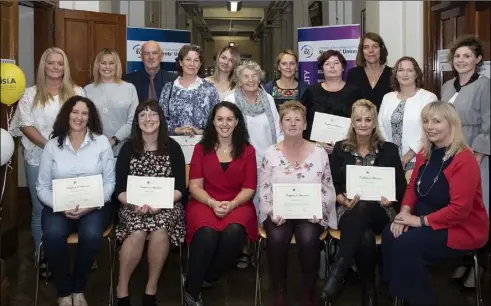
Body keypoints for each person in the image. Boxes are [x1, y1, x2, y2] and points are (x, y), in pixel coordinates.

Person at [382, 101, 489, 306]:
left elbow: (459, 211)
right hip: (428, 221)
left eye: (436, 121)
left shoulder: (464, 159)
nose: (429, 126)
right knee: (390, 233)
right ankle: (401, 294)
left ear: (451, 124)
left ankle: (417, 299)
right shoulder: (426, 152)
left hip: (462, 228)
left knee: (406, 245)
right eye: (426, 121)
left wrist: (417, 221)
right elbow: (413, 186)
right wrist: (404, 213)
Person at [321, 99, 407, 305]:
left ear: (375, 123)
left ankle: (338, 270)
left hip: (381, 210)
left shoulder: (389, 149)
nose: (363, 124)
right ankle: (369, 291)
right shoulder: (341, 149)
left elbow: (400, 185)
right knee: (365, 236)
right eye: (358, 119)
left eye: (368, 119)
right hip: (348, 210)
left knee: (365, 207)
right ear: (352, 122)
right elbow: (332, 182)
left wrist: (391, 199)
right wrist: (341, 198)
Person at [9, 47, 85, 274]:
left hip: (72, 159)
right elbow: (25, 125)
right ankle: (42, 254)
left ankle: (80, 252)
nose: (55, 67)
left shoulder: (77, 92)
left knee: (73, 203)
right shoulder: (29, 94)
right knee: (40, 208)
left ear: (65, 67)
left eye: (59, 63)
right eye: (50, 63)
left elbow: (84, 121)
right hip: (38, 158)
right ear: (43, 66)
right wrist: (49, 146)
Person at [36, 96, 116, 306]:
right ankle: (64, 291)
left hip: (95, 206)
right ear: (66, 114)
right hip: (59, 207)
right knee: (52, 235)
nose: (79, 117)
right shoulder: (52, 146)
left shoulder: (101, 143)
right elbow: (41, 187)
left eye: (84, 113)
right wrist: (59, 206)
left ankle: (78, 287)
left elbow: (109, 182)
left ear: (90, 118)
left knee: (90, 235)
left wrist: (92, 204)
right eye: (75, 112)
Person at [259, 100, 337, 306]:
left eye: (298, 119)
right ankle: (280, 291)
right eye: (288, 120)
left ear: (305, 124)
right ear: (281, 124)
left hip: (310, 213)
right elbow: (264, 189)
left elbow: (327, 186)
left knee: (309, 237)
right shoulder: (271, 153)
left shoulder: (319, 152)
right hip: (279, 212)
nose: (293, 124)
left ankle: (308, 292)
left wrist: (319, 210)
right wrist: (271, 211)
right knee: (275, 237)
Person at [184, 102, 258, 306]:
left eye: (229, 119)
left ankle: (203, 276)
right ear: (213, 122)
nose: (224, 124)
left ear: (236, 123)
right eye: (220, 119)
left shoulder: (249, 151)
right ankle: (192, 290)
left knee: (234, 232)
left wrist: (232, 204)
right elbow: (195, 185)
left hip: (238, 202)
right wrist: (212, 202)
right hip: (204, 201)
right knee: (206, 233)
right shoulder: (200, 149)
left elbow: (250, 188)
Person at [114, 100, 187, 306]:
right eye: (143, 115)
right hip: (132, 205)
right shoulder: (128, 148)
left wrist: (160, 204)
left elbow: (180, 187)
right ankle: (122, 287)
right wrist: (134, 203)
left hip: (166, 205)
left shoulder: (173, 147)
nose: (148, 119)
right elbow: (119, 189)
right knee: (137, 231)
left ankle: (151, 288)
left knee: (160, 229)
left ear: (160, 119)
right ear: (137, 122)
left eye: (153, 114)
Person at [440, 36, 490, 289]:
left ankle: (478, 268)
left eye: (467, 56)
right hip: (450, 153)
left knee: (476, 210)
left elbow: (489, 124)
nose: (461, 60)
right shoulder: (447, 86)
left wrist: (477, 157)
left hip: (475, 154)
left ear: (478, 59)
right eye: (457, 56)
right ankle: (462, 260)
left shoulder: (485, 86)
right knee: (455, 207)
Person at [224, 60, 282, 268]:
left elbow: (278, 127)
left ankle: (260, 247)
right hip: (240, 161)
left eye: (254, 75)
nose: (250, 80)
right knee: (244, 205)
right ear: (238, 80)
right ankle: (243, 248)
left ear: (260, 78)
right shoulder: (231, 99)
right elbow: (224, 129)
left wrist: (278, 156)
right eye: (245, 76)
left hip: (267, 161)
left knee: (264, 205)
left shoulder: (268, 99)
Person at [378, 56, 437, 170]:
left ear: (416, 74)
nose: (405, 74)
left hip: (418, 160)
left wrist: (407, 156)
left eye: (410, 70)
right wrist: (390, 153)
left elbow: (429, 130)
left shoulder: (428, 98)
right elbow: (380, 125)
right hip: (390, 160)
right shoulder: (388, 97)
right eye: (400, 70)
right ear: (395, 74)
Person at [301, 50, 363, 153]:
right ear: (322, 68)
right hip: (314, 150)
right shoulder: (311, 91)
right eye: (327, 64)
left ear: (343, 67)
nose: (332, 67)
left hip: (347, 150)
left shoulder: (354, 91)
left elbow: (361, 120)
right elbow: (301, 119)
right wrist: (315, 142)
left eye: (336, 63)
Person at [84, 48, 138, 157]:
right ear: (97, 66)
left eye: (111, 63)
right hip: (93, 149)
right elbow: (83, 120)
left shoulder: (129, 88)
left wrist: (113, 140)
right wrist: (99, 142)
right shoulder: (87, 90)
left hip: (123, 149)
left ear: (117, 66)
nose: (107, 67)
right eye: (103, 63)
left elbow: (133, 120)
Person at [159, 44, 220, 136]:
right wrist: (176, 130)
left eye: (196, 60)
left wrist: (201, 132)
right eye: (188, 59)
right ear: (180, 62)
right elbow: (160, 118)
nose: (192, 64)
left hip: (202, 144)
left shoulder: (209, 88)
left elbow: (217, 119)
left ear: (200, 64)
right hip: (173, 144)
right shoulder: (168, 88)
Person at [346, 32, 392, 111]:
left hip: (385, 123)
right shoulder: (353, 74)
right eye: (366, 47)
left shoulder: (392, 74)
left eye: (375, 46)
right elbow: (349, 106)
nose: (371, 50)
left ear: (381, 49)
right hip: (361, 122)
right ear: (362, 51)